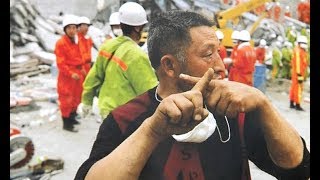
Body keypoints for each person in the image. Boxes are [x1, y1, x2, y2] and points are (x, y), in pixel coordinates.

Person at [75, 10, 310, 180]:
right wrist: (152, 131)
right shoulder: (126, 118)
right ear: (169, 66)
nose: (221, 66)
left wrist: (263, 103)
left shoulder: (231, 111)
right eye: (209, 54)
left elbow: (298, 169)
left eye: (220, 52)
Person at [80, 2, 158, 121]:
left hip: (106, 109)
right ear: (137, 27)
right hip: (125, 116)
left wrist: (86, 100)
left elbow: (93, 77)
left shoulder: (108, 46)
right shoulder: (136, 55)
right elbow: (149, 92)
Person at [54, 15, 86, 132]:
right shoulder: (61, 43)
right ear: (65, 29)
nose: (72, 30)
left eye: (74, 28)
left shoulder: (76, 41)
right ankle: (66, 124)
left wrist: (82, 67)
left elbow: (79, 57)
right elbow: (60, 63)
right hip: (66, 78)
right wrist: (71, 73)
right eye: (69, 28)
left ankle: (72, 118)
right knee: (66, 100)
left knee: (76, 98)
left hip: (77, 75)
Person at [289, 35, 308, 111]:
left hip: (297, 73)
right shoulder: (298, 51)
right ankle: (297, 104)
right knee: (298, 88)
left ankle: (292, 102)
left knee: (294, 88)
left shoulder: (300, 50)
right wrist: (299, 74)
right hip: (298, 73)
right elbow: (298, 63)